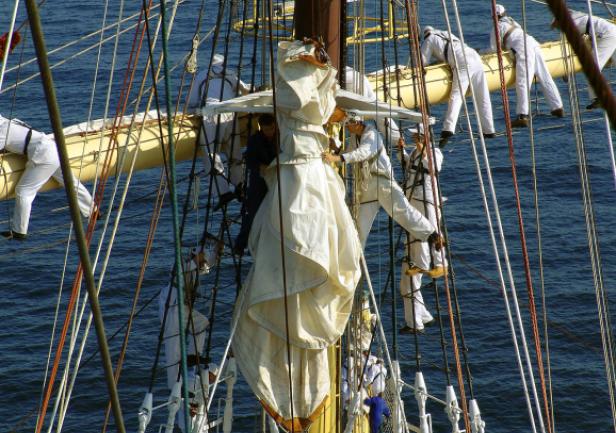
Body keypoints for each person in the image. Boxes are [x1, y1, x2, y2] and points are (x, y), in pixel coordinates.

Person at [322, 115, 443, 251]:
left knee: (402, 210)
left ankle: (432, 235)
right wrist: (337, 150)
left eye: (348, 125)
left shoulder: (372, 134)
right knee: (360, 225)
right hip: (368, 185)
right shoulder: (356, 137)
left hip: (383, 182)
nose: (347, 129)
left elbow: (362, 153)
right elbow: (351, 153)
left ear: (356, 123)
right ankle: (356, 257)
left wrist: (336, 158)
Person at [0, 114, 94, 240]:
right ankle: (92, 211)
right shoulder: (11, 123)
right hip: (52, 148)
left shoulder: (1, 130)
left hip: (42, 155)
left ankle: (19, 231)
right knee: (70, 182)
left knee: (23, 192)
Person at [397, 124, 444, 333]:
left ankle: (439, 263)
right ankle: (419, 318)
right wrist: (402, 152)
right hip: (414, 198)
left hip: (428, 199)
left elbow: (434, 167)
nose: (414, 138)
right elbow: (409, 167)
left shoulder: (434, 152)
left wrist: (422, 149)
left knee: (432, 231)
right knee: (418, 232)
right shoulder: (416, 152)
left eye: (417, 136)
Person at [188, 54, 250, 210]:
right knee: (234, 152)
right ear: (223, 64)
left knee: (210, 152)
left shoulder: (202, 75)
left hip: (211, 114)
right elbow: (245, 90)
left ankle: (223, 192)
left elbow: (192, 101)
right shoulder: (230, 74)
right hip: (230, 113)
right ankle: (240, 185)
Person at [489, 4, 564, 127]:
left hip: (524, 50)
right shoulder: (512, 21)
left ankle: (522, 116)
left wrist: (480, 51)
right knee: (545, 77)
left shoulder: (497, 28)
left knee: (522, 83)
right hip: (534, 45)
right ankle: (557, 107)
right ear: (504, 13)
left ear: (494, 16)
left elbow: (494, 50)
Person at [421, 26, 495, 147]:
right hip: (474, 55)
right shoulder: (445, 33)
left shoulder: (429, 39)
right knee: (483, 95)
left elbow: (423, 61)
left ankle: (448, 129)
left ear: (425, 35)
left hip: (462, 61)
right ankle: (489, 130)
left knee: (457, 96)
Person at [552, 10, 616, 109]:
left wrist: (566, 72)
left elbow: (569, 46)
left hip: (607, 35)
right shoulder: (579, 19)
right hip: (609, 32)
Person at [234, 113, 277, 255]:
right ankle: (241, 244)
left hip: (277, 178)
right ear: (261, 128)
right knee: (253, 211)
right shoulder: (255, 140)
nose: (270, 132)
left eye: (272, 128)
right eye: (266, 129)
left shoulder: (280, 137)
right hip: (259, 180)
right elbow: (249, 159)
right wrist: (260, 166)